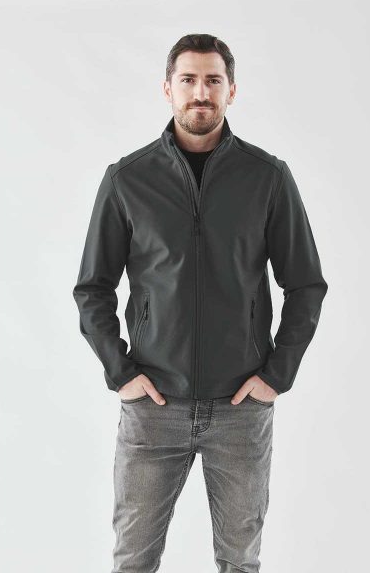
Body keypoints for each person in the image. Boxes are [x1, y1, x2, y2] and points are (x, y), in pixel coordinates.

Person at [73, 33, 328, 573]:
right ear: (167, 88)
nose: (201, 92)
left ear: (232, 90)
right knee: (133, 561)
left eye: (213, 80)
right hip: (152, 407)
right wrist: (121, 372)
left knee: (240, 561)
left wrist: (276, 375)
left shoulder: (267, 178)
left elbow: (305, 285)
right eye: (188, 79)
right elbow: (92, 288)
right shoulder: (128, 179)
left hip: (240, 408)